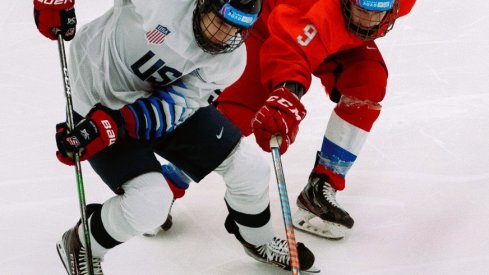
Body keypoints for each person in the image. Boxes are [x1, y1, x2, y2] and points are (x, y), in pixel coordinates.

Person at [33, 0, 318, 273]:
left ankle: (260, 241)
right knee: (152, 204)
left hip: (156, 101)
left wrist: (116, 126)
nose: (226, 35)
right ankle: (82, 244)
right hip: (97, 96)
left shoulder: (230, 60)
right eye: (220, 21)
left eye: (237, 28)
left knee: (251, 169)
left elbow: (174, 108)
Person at [154, 0, 417, 240]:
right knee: (238, 114)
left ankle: (321, 188)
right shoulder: (319, 11)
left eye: (379, 6)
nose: (368, 17)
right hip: (270, 25)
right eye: (363, 5)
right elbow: (290, 50)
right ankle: (164, 188)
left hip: (331, 34)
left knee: (367, 80)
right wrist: (286, 97)